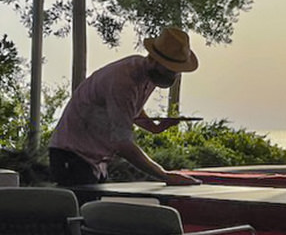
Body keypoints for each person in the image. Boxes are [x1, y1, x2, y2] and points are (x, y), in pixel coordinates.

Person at [49, 27, 201, 186]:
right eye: (170, 69)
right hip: (72, 155)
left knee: (93, 209)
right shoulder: (123, 81)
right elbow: (122, 143)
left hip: (95, 159)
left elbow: (127, 108)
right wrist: (165, 175)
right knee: (85, 209)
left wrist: (154, 127)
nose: (173, 76)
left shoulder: (148, 75)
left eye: (177, 71)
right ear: (153, 60)